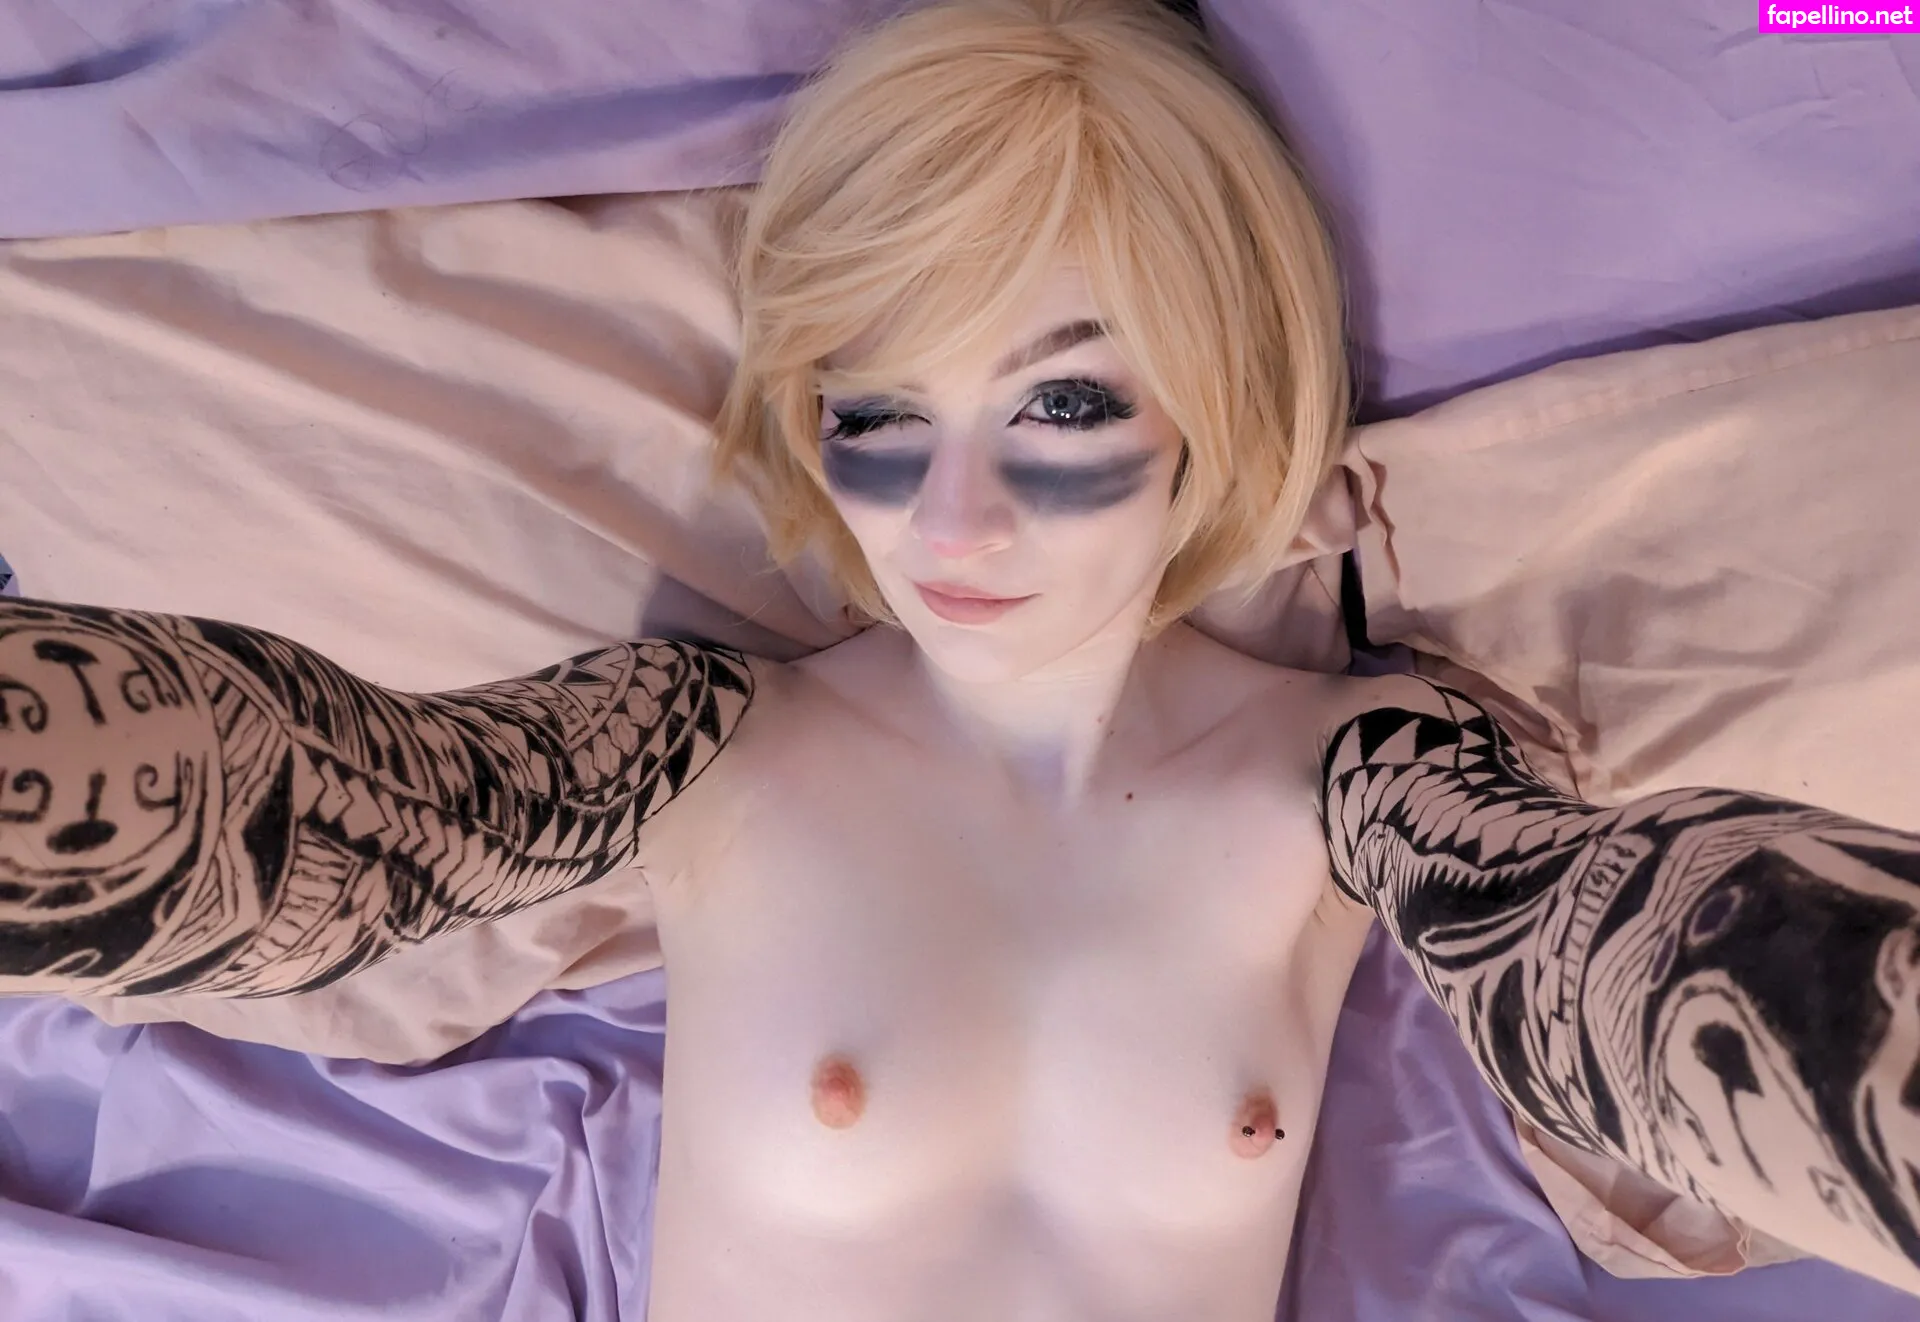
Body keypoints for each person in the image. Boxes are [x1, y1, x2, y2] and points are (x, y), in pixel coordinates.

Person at [1, 0, 1917, 1314]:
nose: (952, 524)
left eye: (1064, 402)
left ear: (1216, 398)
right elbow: (358, 802)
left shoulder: (1355, 771)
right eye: (879, 415)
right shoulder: (711, 744)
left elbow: (1617, 955)